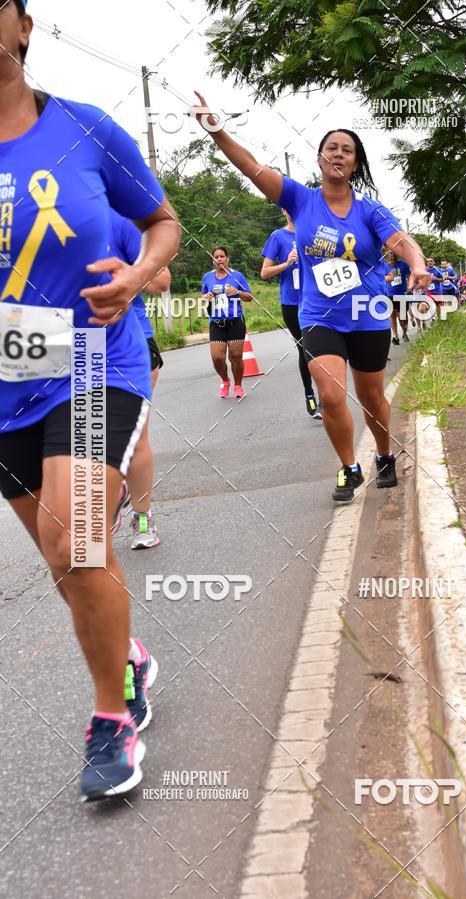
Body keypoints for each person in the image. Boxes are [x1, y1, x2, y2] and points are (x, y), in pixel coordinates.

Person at [0, 1, 181, 801]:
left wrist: (139, 275)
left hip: (91, 356)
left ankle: (112, 715)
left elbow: (162, 221)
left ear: (23, 26)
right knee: (68, 561)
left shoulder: (83, 128)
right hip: (8, 379)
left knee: (73, 534)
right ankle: (129, 655)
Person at [193, 92, 429, 501]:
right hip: (320, 314)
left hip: (366, 312)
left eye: (348, 151)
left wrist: (419, 264)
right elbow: (251, 167)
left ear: (356, 164)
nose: (339, 155)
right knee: (332, 394)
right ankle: (349, 467)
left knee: (372, 395)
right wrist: (217, 130)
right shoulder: (299, 200)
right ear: (320, 158)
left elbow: (403, 241)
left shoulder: (369, 210)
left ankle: (385, 455)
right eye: (331, 148)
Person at [109, 210, 170, 549]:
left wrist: (124, 275)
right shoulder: (51, 221)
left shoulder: (123, 224)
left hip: (130, 342)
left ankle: (142, 518)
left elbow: (161, 281)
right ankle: (113, 488)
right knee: (85, 436)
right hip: (78, 342)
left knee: (135, 435)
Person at [261, 209, 321, 419]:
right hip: (292, 303)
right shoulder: (278, 236)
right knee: (305, 348)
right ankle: (309, 394)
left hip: (317, 300)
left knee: (322, 347)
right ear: (283, 210)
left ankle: (326, 397)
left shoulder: (313, 234)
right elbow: (264, 272)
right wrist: (286, 264)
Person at [201, 247, 252, 399]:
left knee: (236, 356)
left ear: (227, 258)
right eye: (216, 257)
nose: (219, 259)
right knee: (217, 357)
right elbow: (203, 294)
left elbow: (249, 296)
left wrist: (237, 292)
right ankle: (225, 380)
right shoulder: (207, 277)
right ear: (213, 260)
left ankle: (238, 385)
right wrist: (206, 297)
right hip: (216, 321)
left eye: (222, 256)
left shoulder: (237, 276)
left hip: (235, 320)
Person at [384, 249, 411, 343]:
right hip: (389, 294)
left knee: (403, 317)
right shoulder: (385, 266)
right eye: (389, 253)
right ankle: (395, 335)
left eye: (393, 252)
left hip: (402, 294)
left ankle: (404, 332)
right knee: (392, 315)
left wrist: (410, 287)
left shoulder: (403, 264)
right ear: (386, 254)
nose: (391, 254)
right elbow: (382, 279)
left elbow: (409, 276)